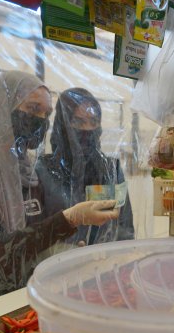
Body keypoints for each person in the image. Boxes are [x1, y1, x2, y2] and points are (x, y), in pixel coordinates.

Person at [0, 72, 119, 320]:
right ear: (0, 108)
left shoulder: (24, 170)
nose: (39, 120)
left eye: (46, 114)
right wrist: (68, 220)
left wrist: (59, 253)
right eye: (32, 108)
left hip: (14, 302)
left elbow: (28, 239)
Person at [36, 88, 134, 247]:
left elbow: (124, 226)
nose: (88, 129)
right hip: (58, 265)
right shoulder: (44, 170)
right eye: (79, 122)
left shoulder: (111, 169)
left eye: (94, 122)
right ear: (63, 125)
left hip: (104, 265)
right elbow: (36, 230)